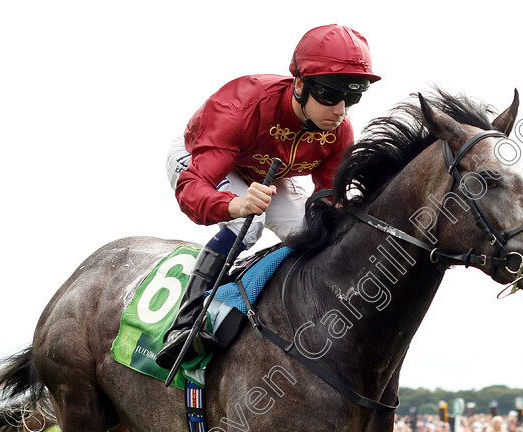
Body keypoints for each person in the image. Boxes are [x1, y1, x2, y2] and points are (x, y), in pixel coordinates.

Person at [155, 25, 380, 366]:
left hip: (265, 176)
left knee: (314, 235)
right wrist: (234, 204)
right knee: (250, 223)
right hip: (200, 161)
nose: (341, 111)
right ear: (300, 85)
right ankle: (185, 324)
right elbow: (192, 190)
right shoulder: (240, 106)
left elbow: (327, 195)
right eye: (331, 96)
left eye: (352, 98)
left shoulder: (339, 130)